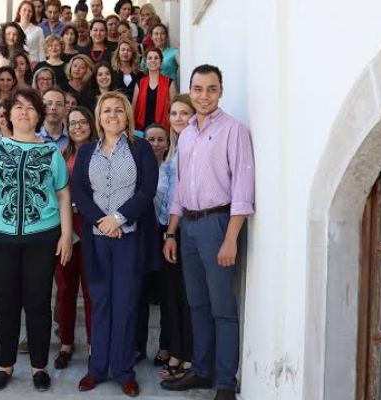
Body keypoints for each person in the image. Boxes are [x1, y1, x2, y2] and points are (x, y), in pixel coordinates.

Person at [0, 87, 73, 392]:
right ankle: (5, 364)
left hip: (43, 238)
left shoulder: (51, 152)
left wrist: (67, 235)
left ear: (38, 115)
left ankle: (39, 366)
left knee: (39, 302)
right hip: (0, 238)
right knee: (5, 303)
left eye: (30, 107)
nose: (24, 112)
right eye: (18, 107)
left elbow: (63, 195)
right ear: (9, 115)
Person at [160, 65, 255, 400]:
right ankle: (201, 371)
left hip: (217, 225)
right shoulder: (186, 134)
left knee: (222, 308)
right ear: (190, 90)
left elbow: (243, 189)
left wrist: (230, 239)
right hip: (187, 226)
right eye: (198, 89)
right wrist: (171, 233)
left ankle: (225, 383)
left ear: (220, 92)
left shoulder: (234, 131)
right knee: (197, 304)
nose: (204, 96)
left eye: (211, 89)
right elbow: (179, 187)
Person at [72, 91, 160, 398]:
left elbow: (147, 190)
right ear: (98, 116)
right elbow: (79, 191)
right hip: (97, 239)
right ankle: (97, 368)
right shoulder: (86, 152)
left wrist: (118, 219)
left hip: (129, 238)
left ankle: (123, 370)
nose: (112, 115)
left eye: (118, 110)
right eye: (106, 110)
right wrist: (102, 221)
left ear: (127, 116)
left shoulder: (141, 148)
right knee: (100, 302)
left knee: (125, 302)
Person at [152, 95, 196, 380]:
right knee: (172, 295)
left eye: (184, 113)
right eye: (174, 113)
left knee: (185, 296)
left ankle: (185, 354)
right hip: (167, 228)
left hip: (181, 229)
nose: (178, 118)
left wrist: (171, 232)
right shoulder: (176, 150)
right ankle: (176, 349)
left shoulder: (190, 148)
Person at [53, 106, 96, 371]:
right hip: (66, 228)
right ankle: (66, 344)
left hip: (92, 227)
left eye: (82, 122)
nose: (78, 127)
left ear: (91, 124)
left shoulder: (100, 153)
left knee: (91, 290)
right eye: (73, 123)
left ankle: (93, 346)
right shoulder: (61, 155)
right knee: (65, 288)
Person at [133, 48, 177, 131]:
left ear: (161, 62)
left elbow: (174, 108)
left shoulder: (170, 83)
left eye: (156, 58)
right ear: (146, 62)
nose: (153, 60)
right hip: (141, 131)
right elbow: (133, 109)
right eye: (150, 58)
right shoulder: (139, 84)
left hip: (163, 130)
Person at [0, 22, 26, 96]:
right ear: (3, 35)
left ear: (19, 37)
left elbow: (27, 77)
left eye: (15, 34)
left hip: (16, 94)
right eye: (8, 34)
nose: (11, 37)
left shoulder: (24, 55)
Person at [111, 38, 142, 103]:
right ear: (118, 53)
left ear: (133, 54)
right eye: (123, 50)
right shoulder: (111, 72)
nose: (125, 52)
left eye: (129, 50)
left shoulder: (139, 74)